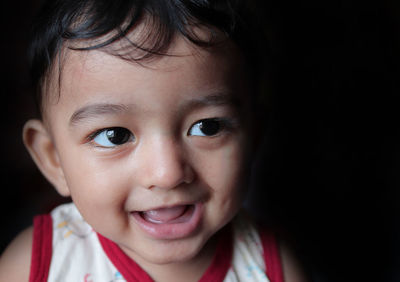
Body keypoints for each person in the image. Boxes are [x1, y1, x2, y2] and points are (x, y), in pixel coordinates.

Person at [0, 0, 305, 281]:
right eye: (115, 136)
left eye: (208, 127)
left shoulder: (274, 269)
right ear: (53, 158)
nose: (167, 174)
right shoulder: (34, 268)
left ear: (254, 138)